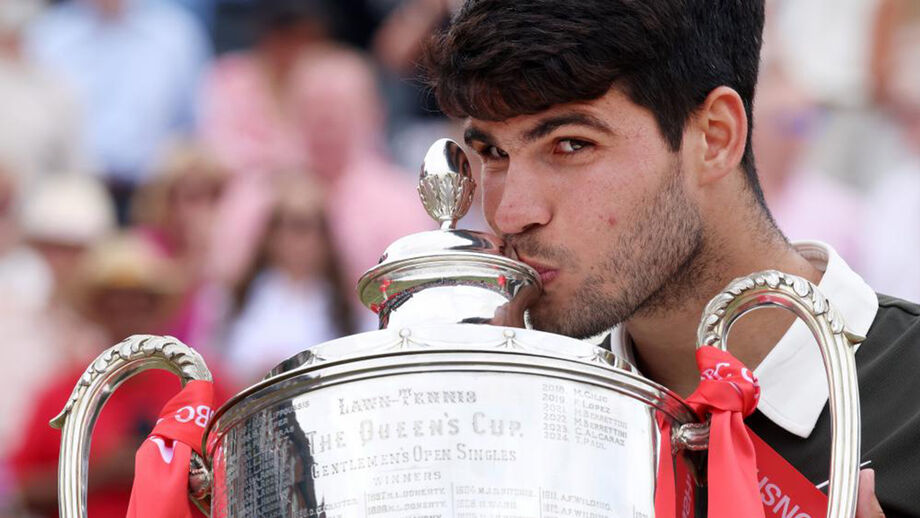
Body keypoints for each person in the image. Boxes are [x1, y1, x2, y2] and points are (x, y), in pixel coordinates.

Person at [423, 1, 917, 516]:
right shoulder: (519, 421)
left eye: (570, 144)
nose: (509, 214)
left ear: (715, 137)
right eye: (493, 154)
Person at [223, 176, 357, 387]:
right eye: (285, 224)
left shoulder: (345, 308)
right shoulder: (240, 298)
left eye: (307, 226)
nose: (297, 239)